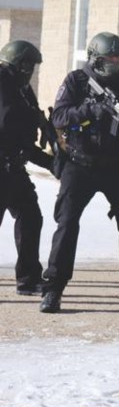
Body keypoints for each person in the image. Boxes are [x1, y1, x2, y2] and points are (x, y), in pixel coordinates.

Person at [40, 32, 119, 315]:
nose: (115, 63)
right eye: (109, 58)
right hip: (79, 163)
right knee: (67, 224)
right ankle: (53, 290)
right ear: (95, 58)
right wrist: (90, 110)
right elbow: (59, 116)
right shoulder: (77, 81)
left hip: (116, 167)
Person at [0, 40, 52, 296]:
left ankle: (28, 279)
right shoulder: (2, 82)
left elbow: (29, 115)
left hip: (13, 167)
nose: (31, 71)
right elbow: (9, 123)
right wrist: (45, 159)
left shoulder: (20, 87)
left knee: (31, 217)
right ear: (18, 64)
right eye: (28, 65)